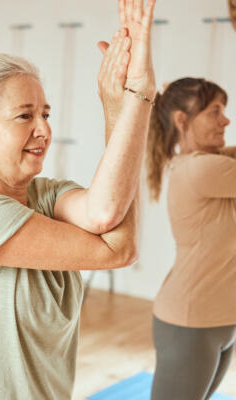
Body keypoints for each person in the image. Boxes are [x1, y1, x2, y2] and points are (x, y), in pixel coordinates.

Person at [0, 0, 156, 398]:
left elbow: (105, 212)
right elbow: (118, 249)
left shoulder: (46, 196)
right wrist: (140, 97)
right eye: (24, 116)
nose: (44, 129)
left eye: (46, 113)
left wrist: (120, 103)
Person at [146, 77, 236, 400]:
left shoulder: (216, 165)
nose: (226, 119)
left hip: (221, 318)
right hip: (189, 322)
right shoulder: (200, 170)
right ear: (181, 119)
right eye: (215, 111)